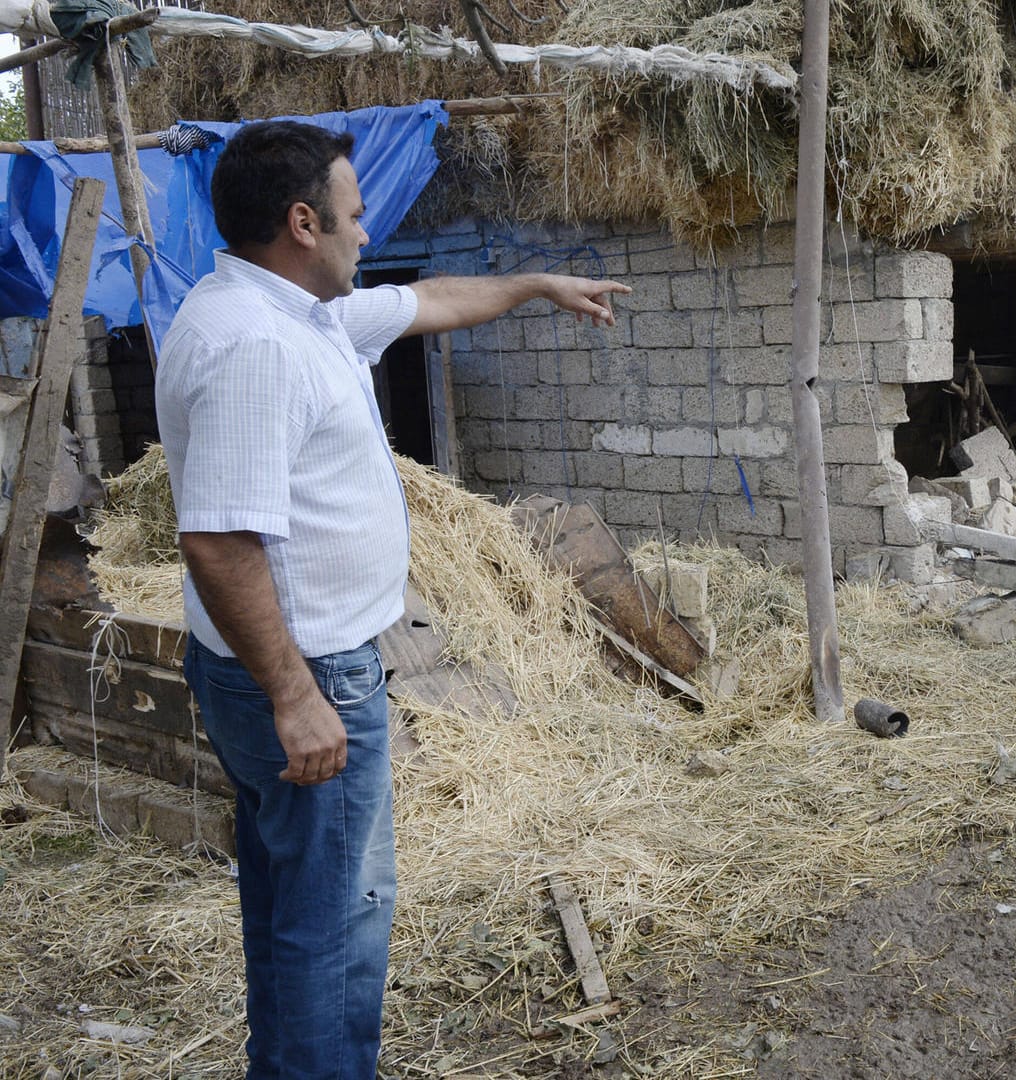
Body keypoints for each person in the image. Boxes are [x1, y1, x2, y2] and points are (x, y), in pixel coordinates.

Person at [155, 119, 630, 1079]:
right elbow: (215, 537)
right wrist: (295, 696)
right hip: (305, 674)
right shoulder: (254, 347)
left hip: (288, 666)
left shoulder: (300, 313)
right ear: (302, 222)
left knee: (294, 902)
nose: (367, 234)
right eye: (356, 215)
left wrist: (537, 284)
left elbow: (430, 301)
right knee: (337, 923)